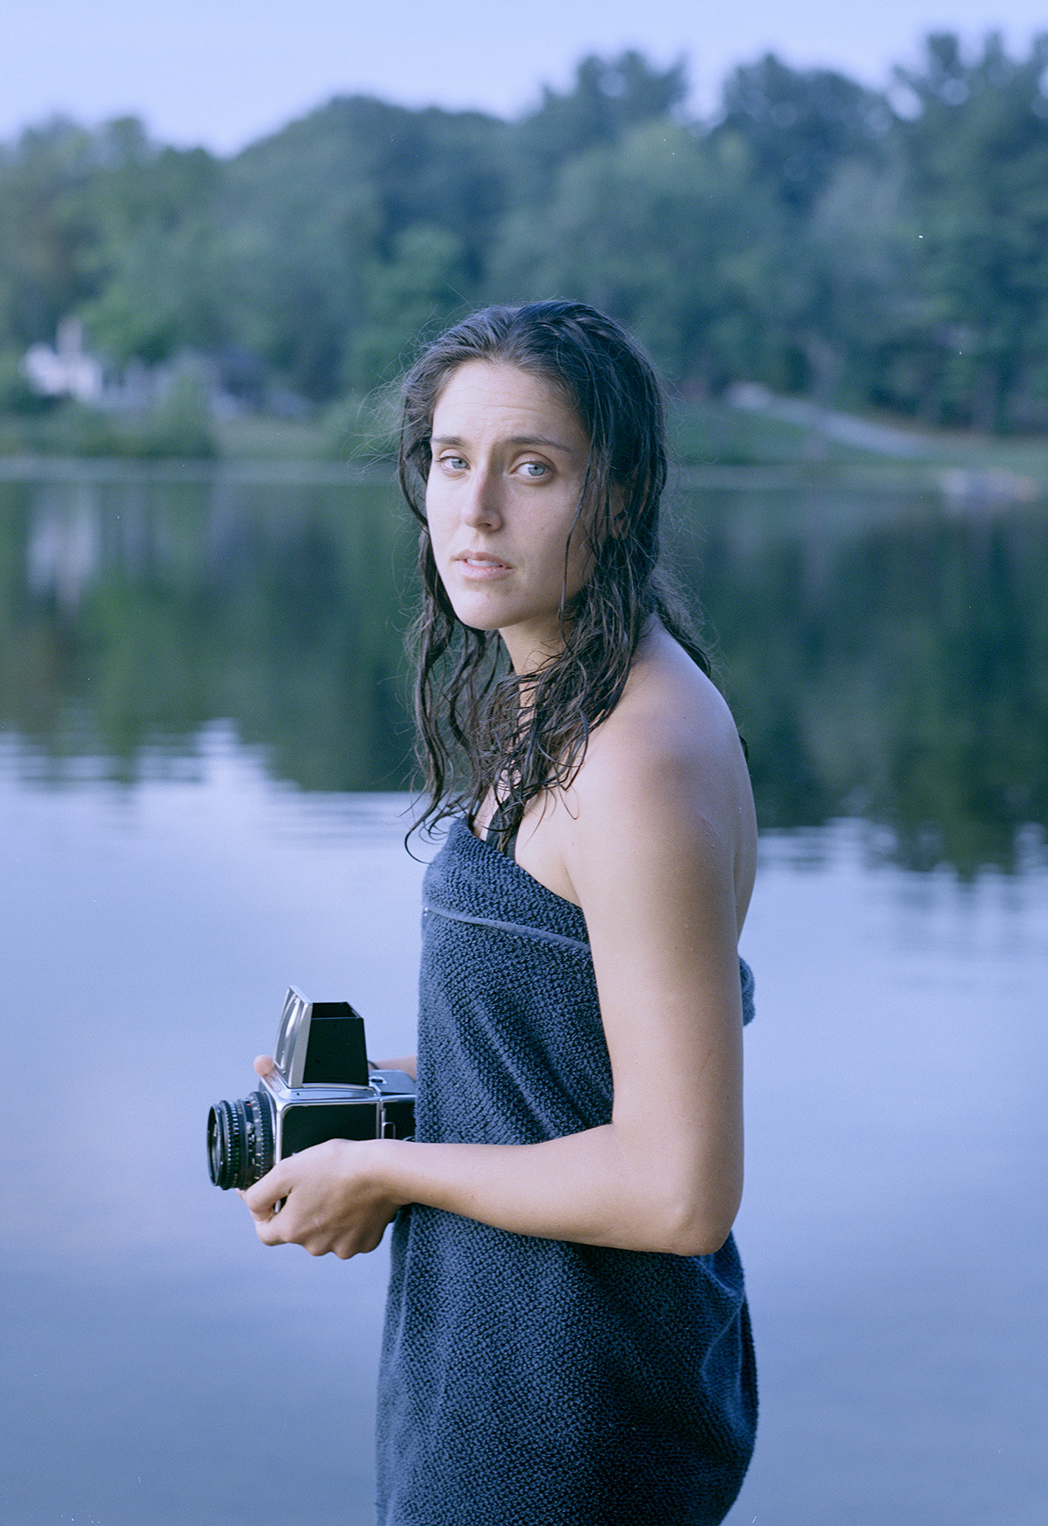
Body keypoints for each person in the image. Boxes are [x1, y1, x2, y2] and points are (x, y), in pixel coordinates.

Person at [241, 301, 758, 1525]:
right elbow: (587, 1055)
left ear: (618, 496)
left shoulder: (633, 762)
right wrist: (394, 1093)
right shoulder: (575, 699)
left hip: (564, 1421)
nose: (472, 511)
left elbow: (678, 1185)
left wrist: (383, 1167)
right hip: (516, 1373)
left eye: (531, 468)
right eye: (451, 459)